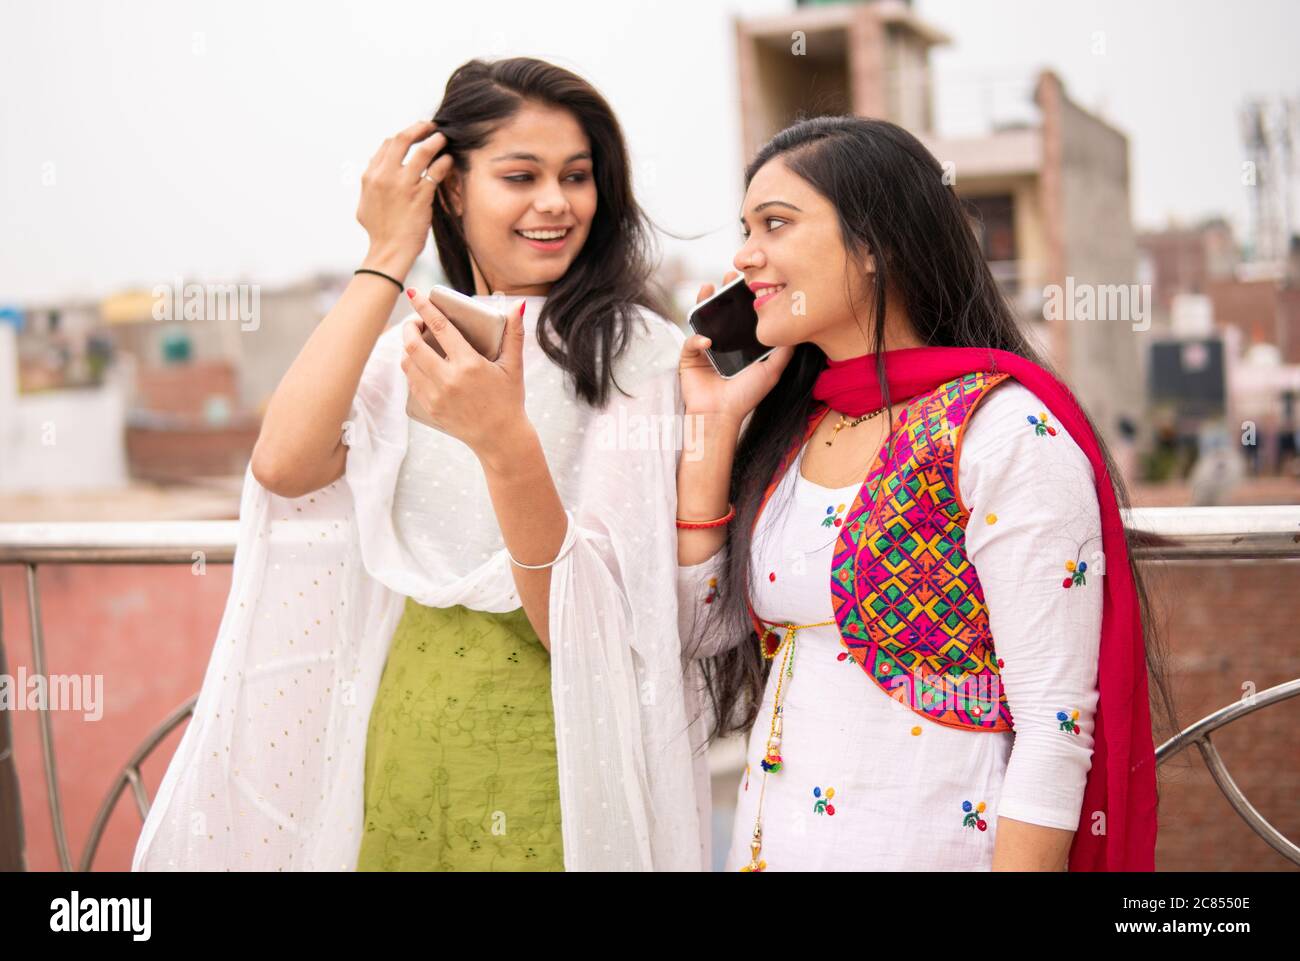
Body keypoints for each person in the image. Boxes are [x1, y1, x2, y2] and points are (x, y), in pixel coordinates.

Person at [133, 57, 706, 872]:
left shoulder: (638, 354)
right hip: (404, 734)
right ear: (452, 191)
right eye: (521, 175)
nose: (556, 202)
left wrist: (501, 439)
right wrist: (387, 252)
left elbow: (584, 621)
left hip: (562, 750)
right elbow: (285, 466)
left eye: (576, 176)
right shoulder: (418, 348)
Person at [675, 116, 1178, 872]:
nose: (746, 256)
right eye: (746, 229)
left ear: (875, 245)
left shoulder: (1001, 430)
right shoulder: (796, 430)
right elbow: (700, 632)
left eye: (775, 224)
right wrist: (712, 437)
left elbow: (1055, 725)